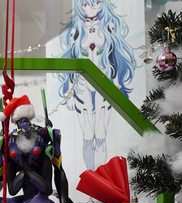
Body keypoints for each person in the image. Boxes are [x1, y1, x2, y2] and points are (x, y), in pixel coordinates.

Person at [58, 0, 136, 170]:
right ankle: (91, 177)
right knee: (87, 136)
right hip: (81, 85)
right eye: (86, 3)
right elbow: (71, 59)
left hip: (104, 81)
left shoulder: (108, 26)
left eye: (96, 2)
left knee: (100, 135)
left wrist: (117, 83)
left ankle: (100, 179)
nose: (91, 6)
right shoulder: (76, 30)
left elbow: (114, 55)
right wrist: (69, 92)